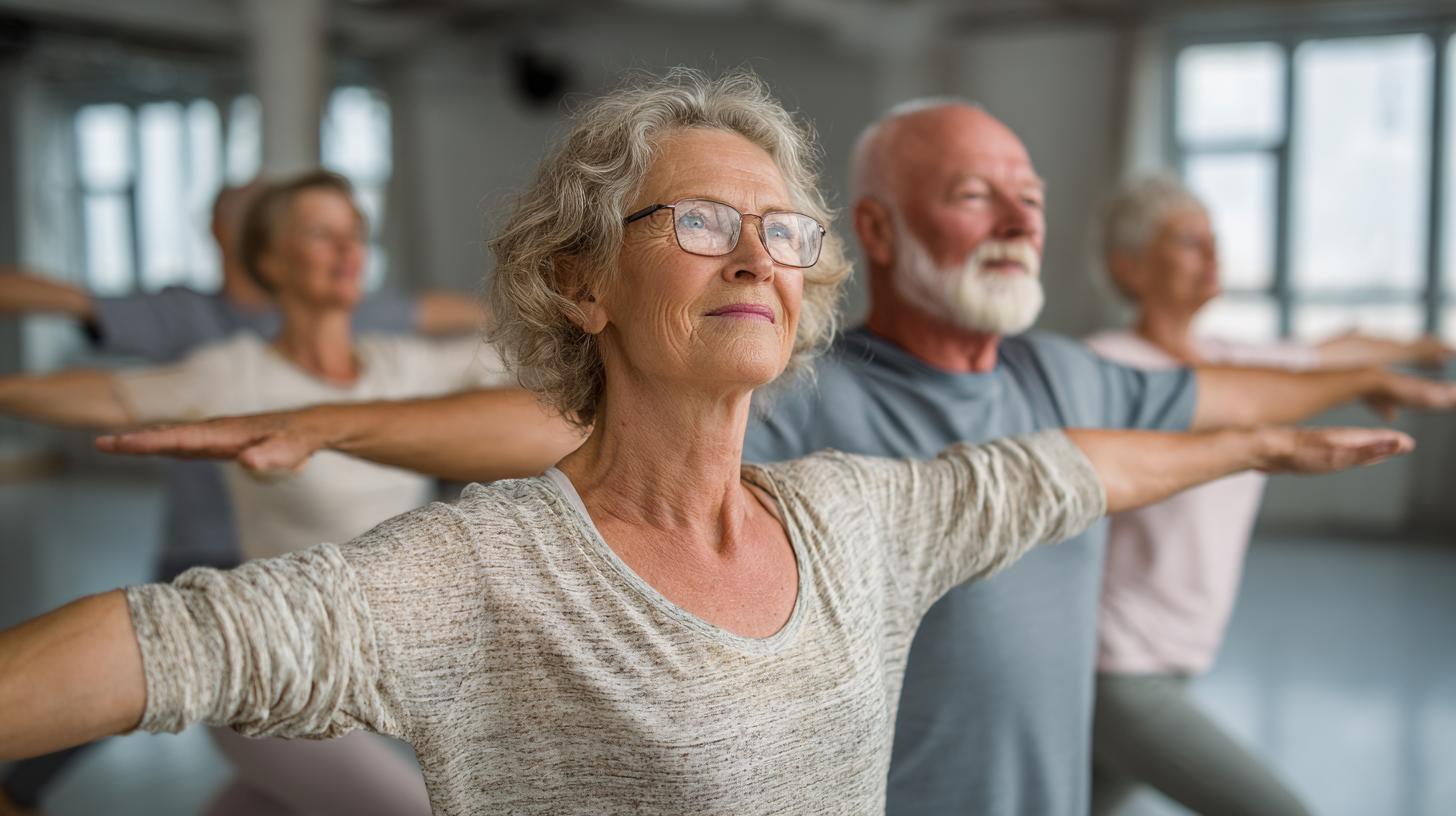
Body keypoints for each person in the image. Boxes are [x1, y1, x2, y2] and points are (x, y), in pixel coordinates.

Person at [0, 67, 1412, 815]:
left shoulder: (860, 514)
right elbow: (167, 645)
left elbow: (1070, 470)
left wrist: (1257, 449)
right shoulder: (484, 569)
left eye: (776, 231)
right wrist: (327, 423)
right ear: (582, 281)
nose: (754, 254)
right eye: (697, 222)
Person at [0, 171, 514, 816]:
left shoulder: (404, 362)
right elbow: (105, 394)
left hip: (365, 681)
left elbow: (521, 357)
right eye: (321, 234)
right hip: (273, 675)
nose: (346, 250)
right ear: (269, 259)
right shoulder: (235, 370)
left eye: (355, 234)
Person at [1082, 174, 1454, 816]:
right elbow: (1217, 394)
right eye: (1189, 242)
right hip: (1118, 663)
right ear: (1131, 266)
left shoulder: (1234, 358)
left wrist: (1422, 348)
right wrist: (1356, 377)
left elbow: (1335, 349)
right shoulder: (1108, 365)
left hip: (1177, 655)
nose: (1213, 255)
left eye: (1215, 240)